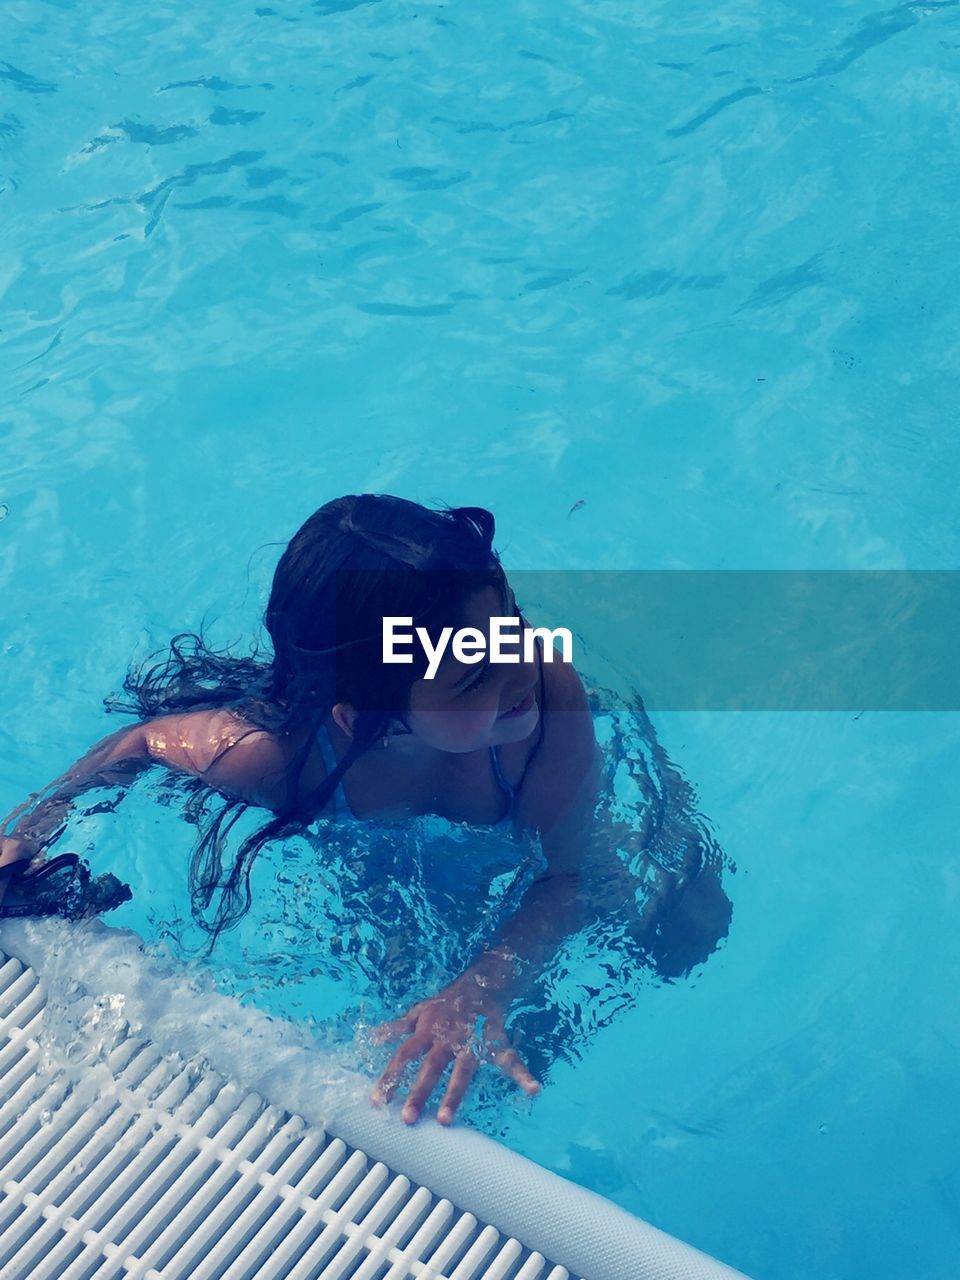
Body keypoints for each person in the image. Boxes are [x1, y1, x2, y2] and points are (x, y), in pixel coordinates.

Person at [0, 493, 731, 1125]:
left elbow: (564, 879)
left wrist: (483, 983)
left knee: (686, 928)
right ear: (363, 715)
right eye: (475, 672)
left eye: (511, 621)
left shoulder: (548, 701)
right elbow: (141, 743)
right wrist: (30, 827)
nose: (521, 660)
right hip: (376, 839)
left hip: (528, 821)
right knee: (411, 1030)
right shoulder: (284, 762)